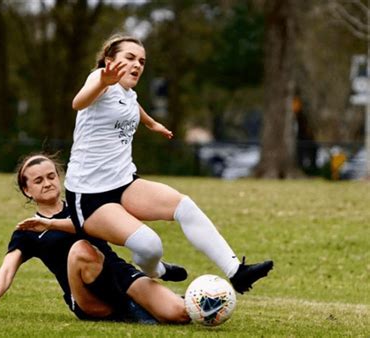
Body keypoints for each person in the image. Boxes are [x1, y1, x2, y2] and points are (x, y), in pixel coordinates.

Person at [61, 34, 273, 294]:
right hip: (89, 196)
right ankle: (157, 270)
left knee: (184, 206)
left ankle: (237, 273)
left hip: (123, 183)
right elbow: (78, 102)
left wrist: (151, 123)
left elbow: (132, 105)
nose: (137, 64)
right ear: (109, 60)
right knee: (150, 246)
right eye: (129, 58)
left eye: (141, 61)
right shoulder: (99, 79)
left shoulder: (128, 93)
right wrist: (102, 82)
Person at [0, 154, 189, 324]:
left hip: (120, 274)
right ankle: (133, 308)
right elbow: (8, 268)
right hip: (86, 298)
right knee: (80, 249)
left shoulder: (84, 206)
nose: (47, 183)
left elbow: (106, 227)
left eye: (51, 176)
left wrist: (52, 224)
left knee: (180, 314)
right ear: (27, 191)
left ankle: (155, 284)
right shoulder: (28, 230)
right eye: (38, 181)